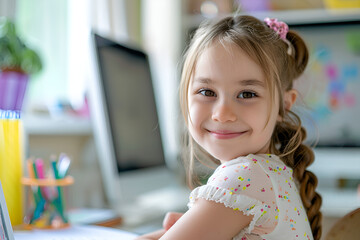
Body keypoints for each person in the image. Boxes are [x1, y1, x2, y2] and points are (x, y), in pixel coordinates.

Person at [136, 14, 322, 240]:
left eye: (247, 94)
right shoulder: (271, 172)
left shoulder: (246, 177)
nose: (222, 114)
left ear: (283, 106)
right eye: (207, 92)